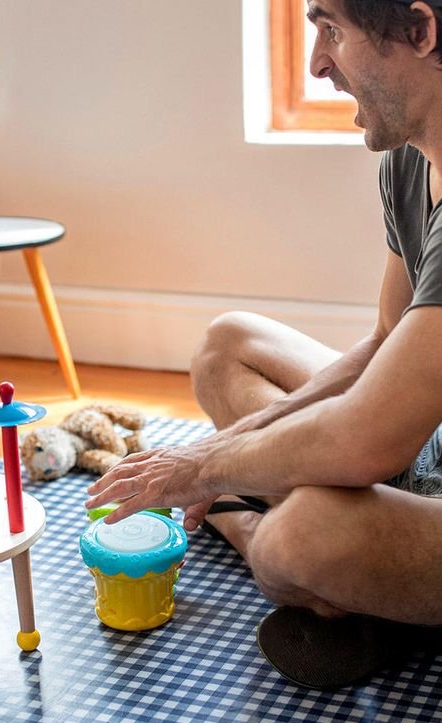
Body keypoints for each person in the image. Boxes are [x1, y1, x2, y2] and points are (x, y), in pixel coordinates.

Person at [86, 0, 442, 686]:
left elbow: (369, 440)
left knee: (302, 533)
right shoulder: (408, 164)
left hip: (412, 459)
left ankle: (303, 567)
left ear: (423, 31)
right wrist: (224, 447)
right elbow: (384, 344)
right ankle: (359, 598)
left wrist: (202, 473)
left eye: (333, 30)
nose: (316, 62)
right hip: (423, 445)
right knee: (229, 346)